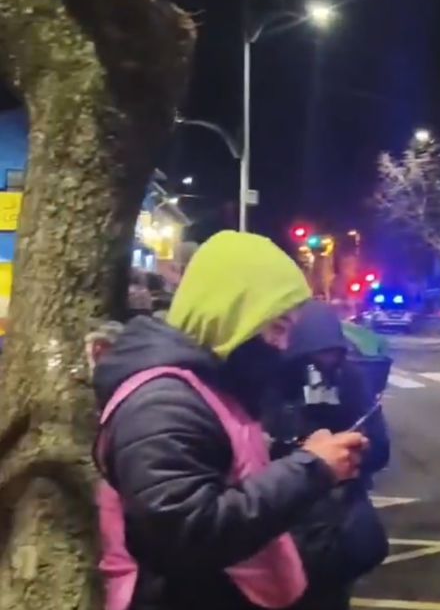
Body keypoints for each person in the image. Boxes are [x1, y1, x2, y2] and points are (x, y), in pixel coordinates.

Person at [92, 231, 368, 610]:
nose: (283, 346)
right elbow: (189, 533)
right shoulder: (164, 401)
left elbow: (222, 470)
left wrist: (296, 454)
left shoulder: (204, 383)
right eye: (277, 327)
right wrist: (312, 468)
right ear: (235, 312)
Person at [268, 300, 392, 607]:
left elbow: (379, 446)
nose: (326, 362)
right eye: (320, 354)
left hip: (336, 523)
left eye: (332, 354)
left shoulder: (349, 378)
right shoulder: (273, 381)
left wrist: (349, 453)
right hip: (285, 522)